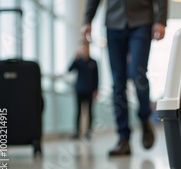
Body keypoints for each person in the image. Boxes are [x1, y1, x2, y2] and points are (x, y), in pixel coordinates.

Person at [81, 0, 168, 156]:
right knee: (118, 82)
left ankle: (144, 117)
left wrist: (160, 20)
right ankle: (123, 138)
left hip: (142, 20)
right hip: (114, 23)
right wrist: (87, 20)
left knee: (137, 73)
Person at [68, 41, 99, 140]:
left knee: (90, 111)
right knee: (78, 112)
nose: (85, 49)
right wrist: (75, 57)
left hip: (90, 91)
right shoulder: (78, 62)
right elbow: (69, 70)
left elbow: (97, 78)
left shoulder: (93, 62)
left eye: (86, 47)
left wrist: (96, 90)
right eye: (83, 48)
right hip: (79, 90)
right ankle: (77, 131)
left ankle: (88, 132)